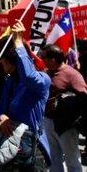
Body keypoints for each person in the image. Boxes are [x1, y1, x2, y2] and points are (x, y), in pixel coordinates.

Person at [0, 20, 51, 170]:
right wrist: (2, 118)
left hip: (33, 149)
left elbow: (29, 77)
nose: (2, 65)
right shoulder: (10, 82)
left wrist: (18, 42)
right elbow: (1, 110)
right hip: (11, 146)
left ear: (13, 61)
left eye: (4, 61)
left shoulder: (42, 80)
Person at [40, 44, 87, 172]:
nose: (41, 59)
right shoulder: (46, 72)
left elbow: (83, 96)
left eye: (44, 57)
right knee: (54, 158)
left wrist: (66, 104)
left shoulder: (72, 75)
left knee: (72, 160)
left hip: (66, 125)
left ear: (53, 59)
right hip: (48, 121)